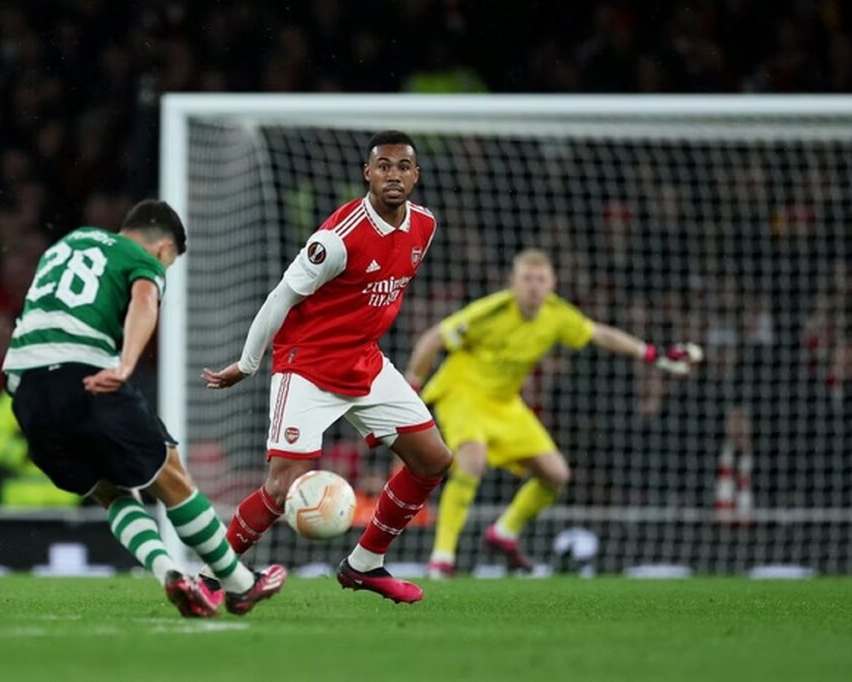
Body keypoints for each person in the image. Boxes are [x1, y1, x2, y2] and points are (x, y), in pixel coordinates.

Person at [2, 199, 286, 617]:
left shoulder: (68, 244)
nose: (165, 269)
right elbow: (144, 299)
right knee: (169, 475)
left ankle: (169, 572)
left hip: (24, 389)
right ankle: (240, 583)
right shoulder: (139, 256)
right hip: (83, 372)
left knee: (109, 490)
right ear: (162, 249)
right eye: (168, 263)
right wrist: (126, 363)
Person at [202, 131, 452, 604]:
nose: (393, 175)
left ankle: (364, 565)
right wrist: (249, 363)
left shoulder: (425, 225)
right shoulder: (336, 240)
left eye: (403, 166)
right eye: (383, 166)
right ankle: (212, 580)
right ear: (367, 173)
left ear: (416, 175)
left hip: (366, 361)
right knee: (280, 490)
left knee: (433, 459)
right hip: (308, 366)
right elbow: (281, 298)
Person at [404, 249, 703, 577]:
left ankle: (504, 532)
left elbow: (600, 334)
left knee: (556, 475)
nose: (533, 286)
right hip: (462, 393)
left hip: (505, 403)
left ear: (552, 284)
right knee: (472, 461)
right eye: (527, 279)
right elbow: (433, 337)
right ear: (513, 283)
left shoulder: (556, 315)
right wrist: (411, 388)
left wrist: (652, 354)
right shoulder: (491, 311)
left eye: (540, 279)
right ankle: (442, 558)